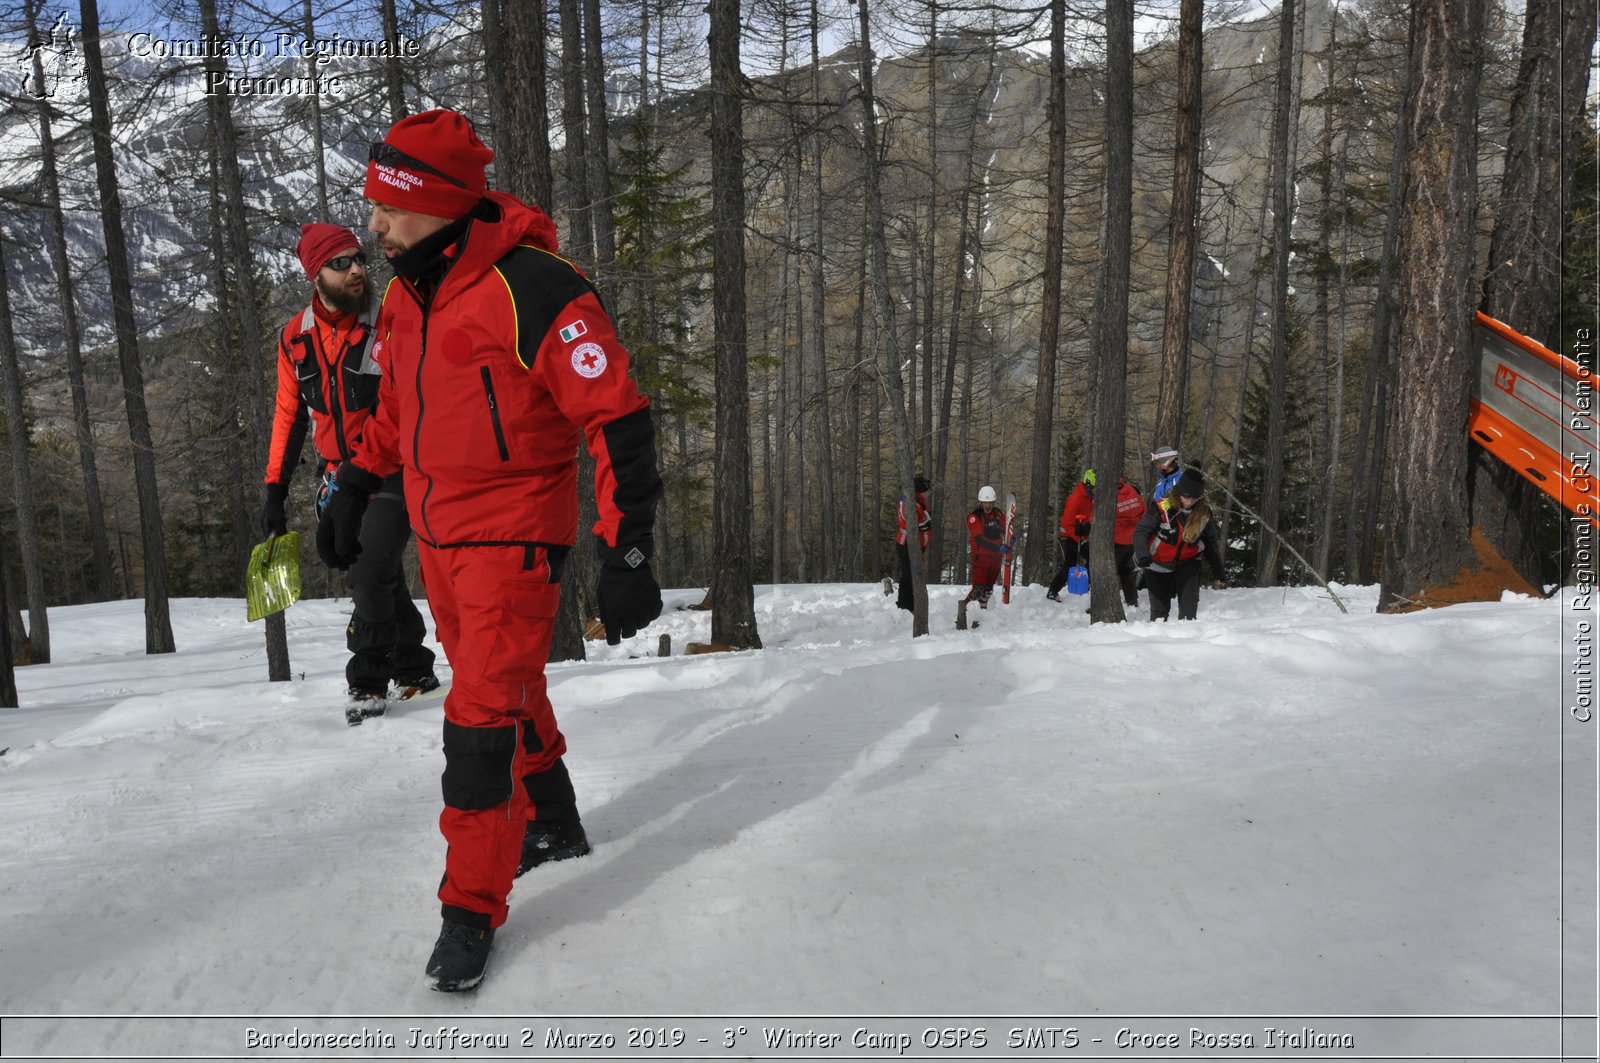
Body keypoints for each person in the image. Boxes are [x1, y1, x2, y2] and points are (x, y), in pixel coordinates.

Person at [315, 109, 663, 992]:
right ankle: (555, 817)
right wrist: (356, 483)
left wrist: (625, 553)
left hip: (513, 541)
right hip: (439, 539)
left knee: (476, 726)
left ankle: (470, 908)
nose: (375, 228)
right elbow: (396, 411)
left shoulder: (537, 287)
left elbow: (616, 418)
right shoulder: (404, 293)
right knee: (506, 695)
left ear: (436, 204)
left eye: (388, 210)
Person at [261, 223, 437, 724]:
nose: (358, 268)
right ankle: (415, 669)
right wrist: (274, 489)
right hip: (337, 476)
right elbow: (288, 416)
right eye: (341, 263)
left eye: (359, 258)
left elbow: (403, 404)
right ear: (316, 274)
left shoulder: (388, 322)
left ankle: (367, 679)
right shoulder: (295, 338)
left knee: (366, 564)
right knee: (371, 571)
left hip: (396, 467)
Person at [1133, 468, 1225, 622]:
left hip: (1188, 563)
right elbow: (1141, 531)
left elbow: (1210, 542)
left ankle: (1186, 642)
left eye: (1194, 498)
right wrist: (1143, 555)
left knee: (1188, 613)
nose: (1190, 502)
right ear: (1179, 492)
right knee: (1159, 615)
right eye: (1186, 497)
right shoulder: (1162, 507)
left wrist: (1218, 572)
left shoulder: (1203, 512)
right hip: (1157, 564)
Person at [1046, 469, 1095, 601]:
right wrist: (1079, 538)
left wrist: (1087, 526)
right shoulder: (1076, 498)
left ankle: (1085, 583)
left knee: (1087, 559)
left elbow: (1090, 515)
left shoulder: (1088, 497)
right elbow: (1067, 524)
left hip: (1080, 535)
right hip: (1070, 536)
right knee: (1071, 564)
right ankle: (1053, 590)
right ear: (1089, 484)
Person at [895, 474, 932, 611]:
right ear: (922, 490)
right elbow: (911, 522)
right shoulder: (912, 503)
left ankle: (908, 606)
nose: (930, 492)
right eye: (928, 490)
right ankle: (905, 606)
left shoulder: (918, 501)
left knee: (912, 575)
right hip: (907, 545)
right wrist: (925, 524)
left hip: (914, 545)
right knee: (909, 577)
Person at [965, 485, 1005, 608]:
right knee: (977, 590)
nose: (987, 506)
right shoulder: (974, 517)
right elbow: (979, 539)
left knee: (988, 590)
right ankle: (964, 610)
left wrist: (1011, 539)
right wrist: (998, 547)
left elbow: (1007, 530)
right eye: (985, 503)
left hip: (996, 559)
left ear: (993, 502)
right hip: (981, 558)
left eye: (990, 503)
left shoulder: (999, 515)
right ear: (980, 502)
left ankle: (983, 614)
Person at [1111, 475, 1147, 607]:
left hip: (1118, 540)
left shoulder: (1110, 497)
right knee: (1125, 570)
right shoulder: (1132, 492)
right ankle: (1132, 600)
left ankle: (1107, 603)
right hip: (1133, 540)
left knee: (1110, 571)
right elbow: (1144, 512)